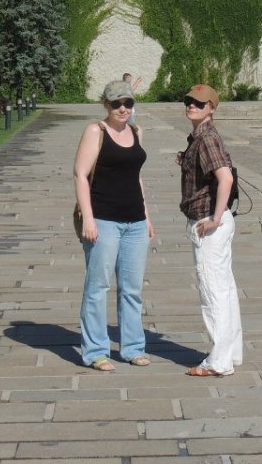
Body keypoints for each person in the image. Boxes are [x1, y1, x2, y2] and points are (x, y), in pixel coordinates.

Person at [73, 80, 155, 370]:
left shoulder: (136, 131)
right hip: (104, 220)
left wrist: (146, 214)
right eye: (116, 103)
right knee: (98, 287)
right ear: (105, 105)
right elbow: (80, 175)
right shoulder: (96, 131)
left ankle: (133, 348)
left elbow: (136, 176)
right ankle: (95, 351)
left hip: (134, 221)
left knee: (132, 289)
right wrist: (89, 218)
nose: (123, 109)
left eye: (128, 103)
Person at [176, 83, 242, 376]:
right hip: (215, 220)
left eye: (200, 103)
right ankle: (231, 353)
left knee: (213, 292)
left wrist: (214, 219)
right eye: (189, 101)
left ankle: (218, 362)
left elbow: (225, 178)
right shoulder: (200, 137)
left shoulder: (206, 139)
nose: (192, 105)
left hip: (208, 223)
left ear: (211, 108)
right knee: (224, 290)